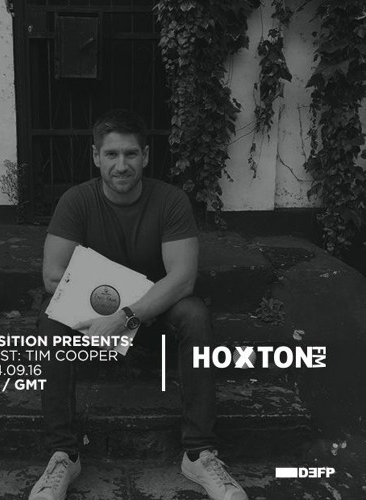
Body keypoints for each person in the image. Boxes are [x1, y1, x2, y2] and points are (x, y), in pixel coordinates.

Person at [29, 109, 248, 500]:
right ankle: (63, 454)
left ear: (145, 156)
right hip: (98, 311)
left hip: (155, 310)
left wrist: (128, 315)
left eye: (130, 154)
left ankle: (199, 454)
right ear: (95, 156)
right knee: (51, 316)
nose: (121, 165)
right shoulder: (76, 201)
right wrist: (112, 313)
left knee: (194, 314)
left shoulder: (170, 200)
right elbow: (53, 275)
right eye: (111, 154)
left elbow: (182, 278)